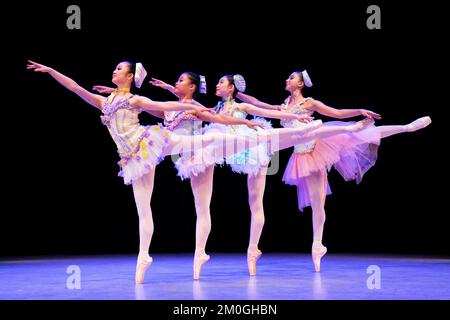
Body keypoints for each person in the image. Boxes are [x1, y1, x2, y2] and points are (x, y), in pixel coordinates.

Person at [27, 60, 374, 282]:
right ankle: (149, 256)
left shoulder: (146, 101)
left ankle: (340, 132)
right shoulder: (112, 100)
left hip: (177, 142)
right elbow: (76, 88)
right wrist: (52, 71)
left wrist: (243, 121)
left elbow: (187, 107)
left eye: (119, 70)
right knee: (154, 207)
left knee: (236, 141)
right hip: (144, 155)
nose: (113, 73)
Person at [237, 70, 432, 272]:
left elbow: (336, 113)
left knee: (362, 134)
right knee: (316, 202)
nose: (287, 80)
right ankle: (318, 246)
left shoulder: (310, 103)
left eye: (291, 78)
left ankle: (407, 127)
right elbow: (258, 105)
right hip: (301, 155)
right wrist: (239, 94)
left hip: (319, 145)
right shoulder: (284, 105)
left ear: (301, 84)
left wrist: (359, 110)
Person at [148, 74, 312, 277]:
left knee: (255, 202)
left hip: (251, 150)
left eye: (221, 83)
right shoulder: (214, 109)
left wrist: (295, 117)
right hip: (227, 148)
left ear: (231, 88)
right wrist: (166, 86)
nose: (216, 85)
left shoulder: (241, 107)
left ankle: (253, 248)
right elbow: (184, 101)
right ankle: (203, 252)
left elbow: (266, 111)